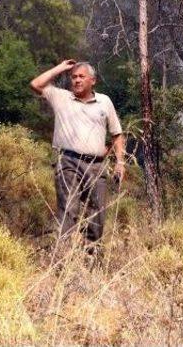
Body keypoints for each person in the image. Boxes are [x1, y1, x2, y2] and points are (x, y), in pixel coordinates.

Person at [30, 59, 125, 253]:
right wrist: (60, 68)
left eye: (82, 76)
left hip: (96, 166)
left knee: (97, 215)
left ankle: (92, 260)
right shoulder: (61, 97)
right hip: (68, 162)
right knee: (68, 211)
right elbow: (35, 84)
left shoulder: (104, 102)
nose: (77, 80)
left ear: (93, 80)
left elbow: (117, 134)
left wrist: (120, 163)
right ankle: (63, 261)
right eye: (73, 77)